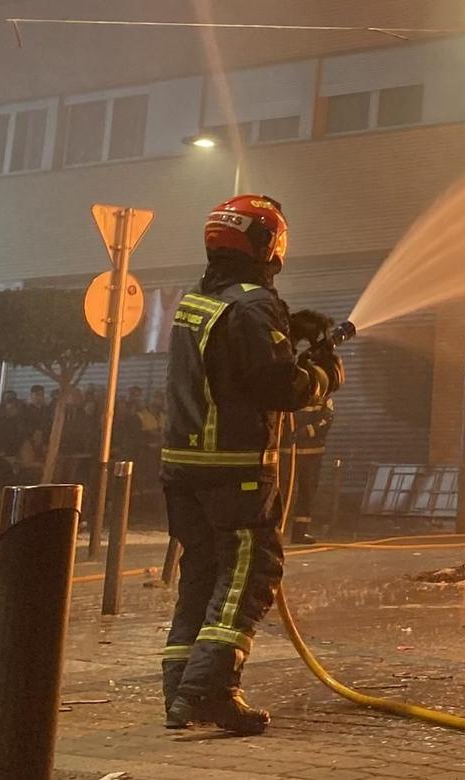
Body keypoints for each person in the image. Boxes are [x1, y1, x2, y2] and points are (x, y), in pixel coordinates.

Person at [160, 195, 343, 736]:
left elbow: (231, 356)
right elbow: (277, 386)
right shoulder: (253, 306)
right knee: (250, 575)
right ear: (268, 243)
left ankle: (181, 688)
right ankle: (204, 690)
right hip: (234, 470)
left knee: (204, 574)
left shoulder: (200, 298)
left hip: (182, 470)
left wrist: (287, 322)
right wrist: (324, 373)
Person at [286, 393, 334, 546]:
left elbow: (326, 420)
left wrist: (306, 431)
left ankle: (299, 533)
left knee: (307, 493)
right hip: (287, 454)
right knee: (282, 494)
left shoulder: (324, 399)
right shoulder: (285, 394)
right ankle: (277, 531)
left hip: (312, 455)